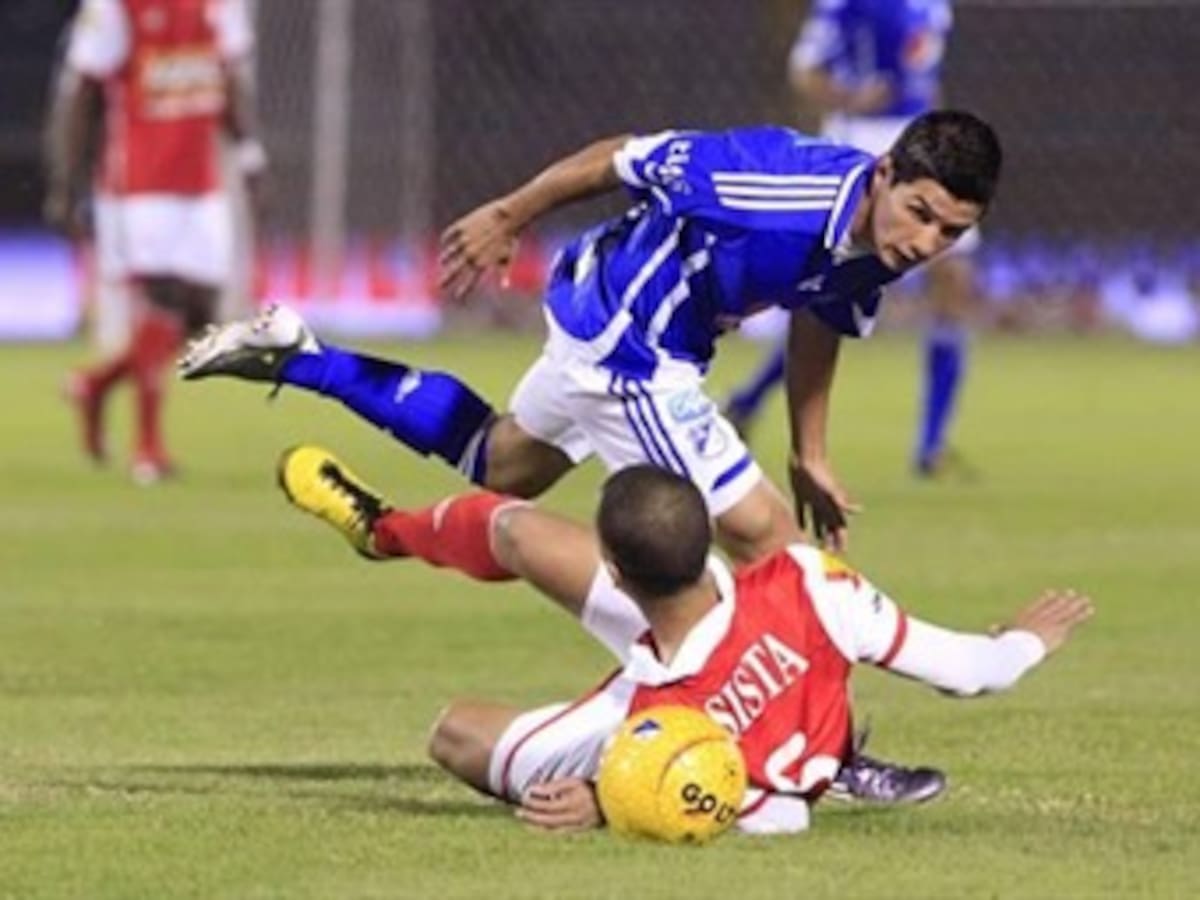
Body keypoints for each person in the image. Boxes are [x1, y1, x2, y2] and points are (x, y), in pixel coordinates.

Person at [180, 110, 1001, 800]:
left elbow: (825, 310)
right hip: (631, 349)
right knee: (779, 554)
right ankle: (836, 756)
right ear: (885, 173)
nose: (927, 240)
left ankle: (301, 354)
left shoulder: (883, 240)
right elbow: (623, 158)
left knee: (503, 463)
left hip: (608, 326)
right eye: (921, 213)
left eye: (952, 231)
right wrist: (509, 213)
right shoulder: (765, 184)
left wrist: (809, 449)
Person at [273, 447, 1093, 834]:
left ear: (618, 579)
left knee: (454, 730)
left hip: (660, 695)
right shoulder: (809, 579)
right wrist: (1023, 641)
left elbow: (770, 817)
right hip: (715, 629)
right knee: (515, 530)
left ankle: (386, 534)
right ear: (708, 539)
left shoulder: (650, 730)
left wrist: (610, 798)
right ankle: (380, 529)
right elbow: (968, 670)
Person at [723, 0, 979, 477]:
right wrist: (851, 99)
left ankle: (931, 445)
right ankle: (749, 398)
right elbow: (804, 71)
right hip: (865, 140)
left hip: (922, 141)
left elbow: (925, 73)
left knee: (956, 283)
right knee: (831, 291)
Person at [45, 0, 266, 483]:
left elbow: (230, 76)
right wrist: (67, 183)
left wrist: (248, 153)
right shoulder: (114, 7)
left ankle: (95, 383)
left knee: (200, 319)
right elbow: (81, 91)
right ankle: (148, 448)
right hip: (137, 187)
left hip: (201, 184)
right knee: (160, 303)